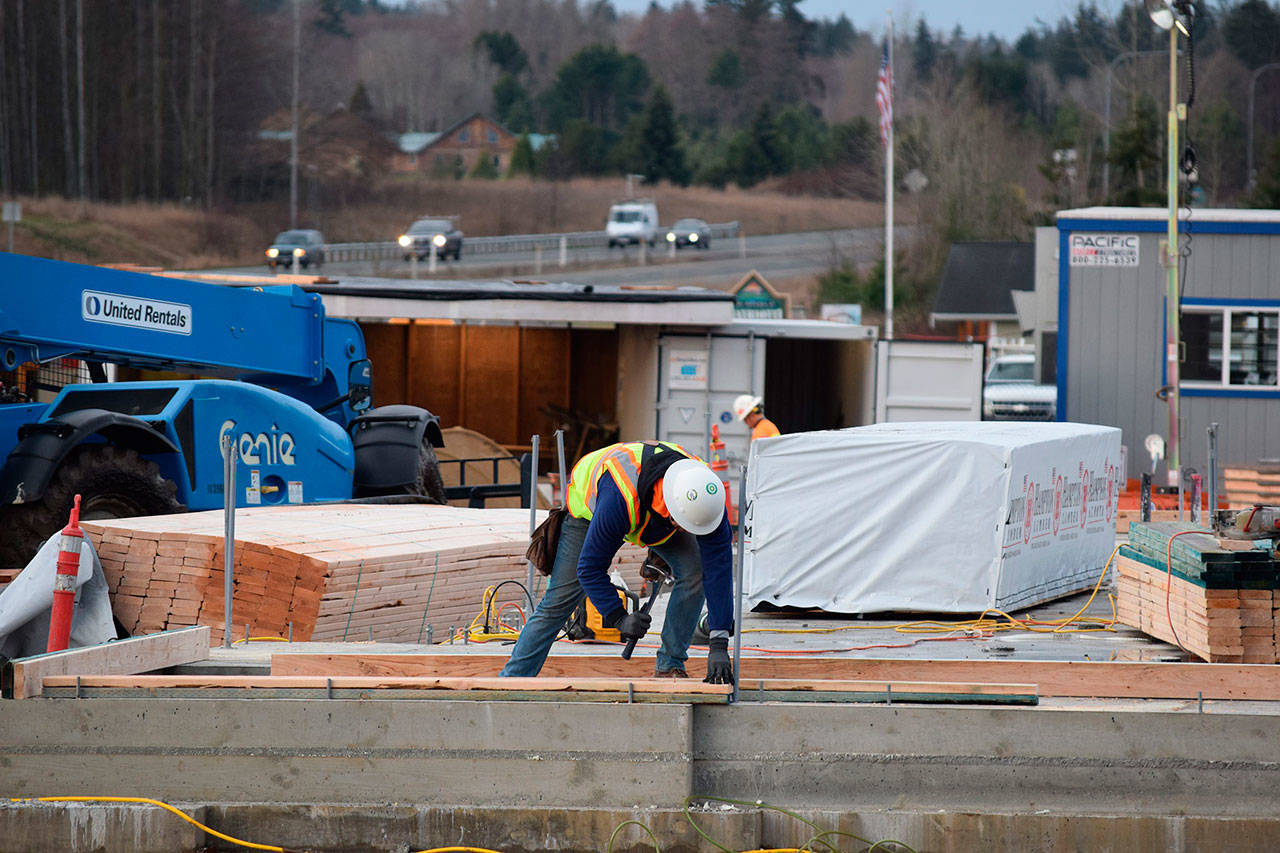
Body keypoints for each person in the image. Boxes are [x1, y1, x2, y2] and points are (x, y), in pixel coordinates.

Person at [500, 441, 735, 683]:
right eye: (682, 525)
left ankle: (670, 665)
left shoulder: (706, 497)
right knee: (559, 600)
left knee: (695, 570)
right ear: (671, 510)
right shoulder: (619, 497)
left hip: (651, 506)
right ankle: (512, 680)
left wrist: (719, 643)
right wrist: (619, 618)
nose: (686, 532)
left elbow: (718, 569)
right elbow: (589, 569)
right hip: (591, 510)